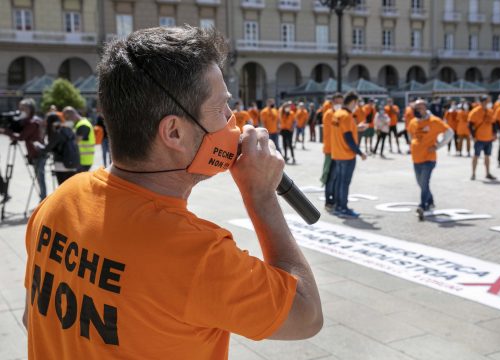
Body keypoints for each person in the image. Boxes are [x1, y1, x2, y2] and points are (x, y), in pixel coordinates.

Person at [22, 26, 322, 360]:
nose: (232, 121)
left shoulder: (59, 201)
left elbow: (31, 318)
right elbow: (307, 315)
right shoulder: (195, 255)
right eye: (222, 107)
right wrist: (261, 196)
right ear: (174, 132)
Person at [408, 99, 454, 221]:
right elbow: (410, 134)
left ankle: (423, 205)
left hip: (429, 159)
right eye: (415, 108)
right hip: (416, 158)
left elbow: (449, 132)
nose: (417, 110)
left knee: (424, 182)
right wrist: (412, 145)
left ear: (425, 108)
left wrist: (438, 146)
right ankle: (431, 200)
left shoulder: (434, 121)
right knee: (420, 182)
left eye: (419, 108)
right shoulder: (413, 122)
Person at [0, 98, 47, 202]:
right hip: (34, 154)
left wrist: (5, 131)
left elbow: (22, 137)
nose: (21, 111)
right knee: (39, 178)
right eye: (20, 108)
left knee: (40, 179)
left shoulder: (33, 122)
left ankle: (44, 200)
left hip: (38, 154)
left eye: (23, 108)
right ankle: (43, 199)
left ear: (30, 109)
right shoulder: (28, 121)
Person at [331, 91, 367, 218]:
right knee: (344, 182)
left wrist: (356, 128)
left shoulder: (337, 114)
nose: (356, 106)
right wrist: (360, 152)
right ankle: (343, 207)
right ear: (352, 102)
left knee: (339, 181)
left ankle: (337, 206)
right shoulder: (347, 116)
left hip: (337, 153)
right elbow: (348, 137)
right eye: (356, 103)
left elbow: (342, 131)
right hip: (347, 154)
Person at [39, 113, 78, 184]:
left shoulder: (57, 133)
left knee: (63, 190)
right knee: (71, 189)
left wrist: (38, 146)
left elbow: (47, 148)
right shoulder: (68, 130)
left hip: (61, 165)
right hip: (73, 164)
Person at [320, 94, 342, 210]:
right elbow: (335, 130)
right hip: (330, 150)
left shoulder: (338, 113)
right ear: (333, 102)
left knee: (336, 177)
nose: (340, 105)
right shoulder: (329, 114)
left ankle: (333, 200)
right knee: (330, 176)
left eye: (341, 102)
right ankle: (328, 201)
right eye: (338, 102)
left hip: (338, 150)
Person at [469, 95, 498, 180]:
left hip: (489, 138)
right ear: (481, 102)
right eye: (486, 101)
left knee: (487, 156)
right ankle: (473, 173)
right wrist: (473, 136)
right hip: (479, 138)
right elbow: (470, 125)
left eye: (488, 101)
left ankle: (488, 173)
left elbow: (493, 123)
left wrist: (494, 133)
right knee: (476, 156)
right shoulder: (475, 112)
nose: (487, 103)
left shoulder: (490, 111)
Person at [63, 106, 95, 172]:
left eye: (67, 118)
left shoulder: (83, 125)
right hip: (83, 160)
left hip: (83, 161)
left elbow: (75, 142)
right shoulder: (81, 123)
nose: (67, 120)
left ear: (72, 115)